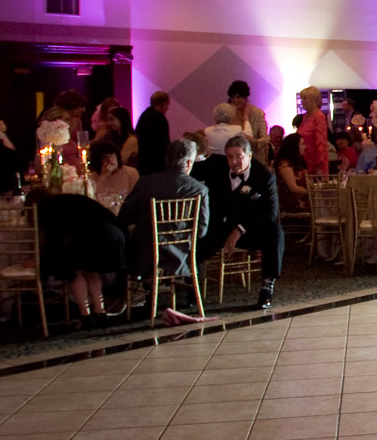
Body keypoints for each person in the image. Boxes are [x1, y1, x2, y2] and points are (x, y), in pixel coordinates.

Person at [193, 134, 283, 308]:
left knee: (275, 232)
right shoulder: (216, 165)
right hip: (219, 226)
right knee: (197, 238)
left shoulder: (263, 176)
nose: (233, 161)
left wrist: (240, 229)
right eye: (230, 157)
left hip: (248, 229)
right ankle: (192, 287)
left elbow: (270, 213)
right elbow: (187, 170)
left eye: (238, 156)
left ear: (249, 156)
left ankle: (267, 287)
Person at [118, 139, 210, 283]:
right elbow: (201, 230)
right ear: (188, 163)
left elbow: (125, 216)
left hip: (144, 255)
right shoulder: (199, 189)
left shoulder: (146, 183)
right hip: (180, 255)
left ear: (167, 159)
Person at [30, 190, 127, 326]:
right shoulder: (71, 199)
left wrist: (40, 262)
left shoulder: (48, 210)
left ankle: (85, 315)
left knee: (74, 273)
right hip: (113, 234)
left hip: (89, 235)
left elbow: (53, 242)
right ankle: (100, 312)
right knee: (92, 272)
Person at [135, 91, 172, 175]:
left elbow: (137, 134)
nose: (167, 108)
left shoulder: (144, 115)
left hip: (143, 160)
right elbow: (164, 141)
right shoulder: (160, 118)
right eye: (167, 104)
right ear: (163, 104)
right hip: (157, 161)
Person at [297, 87, 329, 177]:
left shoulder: (319, 117)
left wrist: (318, 165)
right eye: (302, 99)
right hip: (305, 159)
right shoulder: (305, 117)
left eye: (305, 99)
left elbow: (320, 142)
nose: (302, 102)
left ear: (314, 100)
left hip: (315, 162)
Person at [274, 133, 308, 213]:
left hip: (303, 200)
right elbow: (293, 188)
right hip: (292, 204)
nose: (305, 147)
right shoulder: (285, 165)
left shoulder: (297, 164)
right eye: (302, 144)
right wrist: (310, 193)